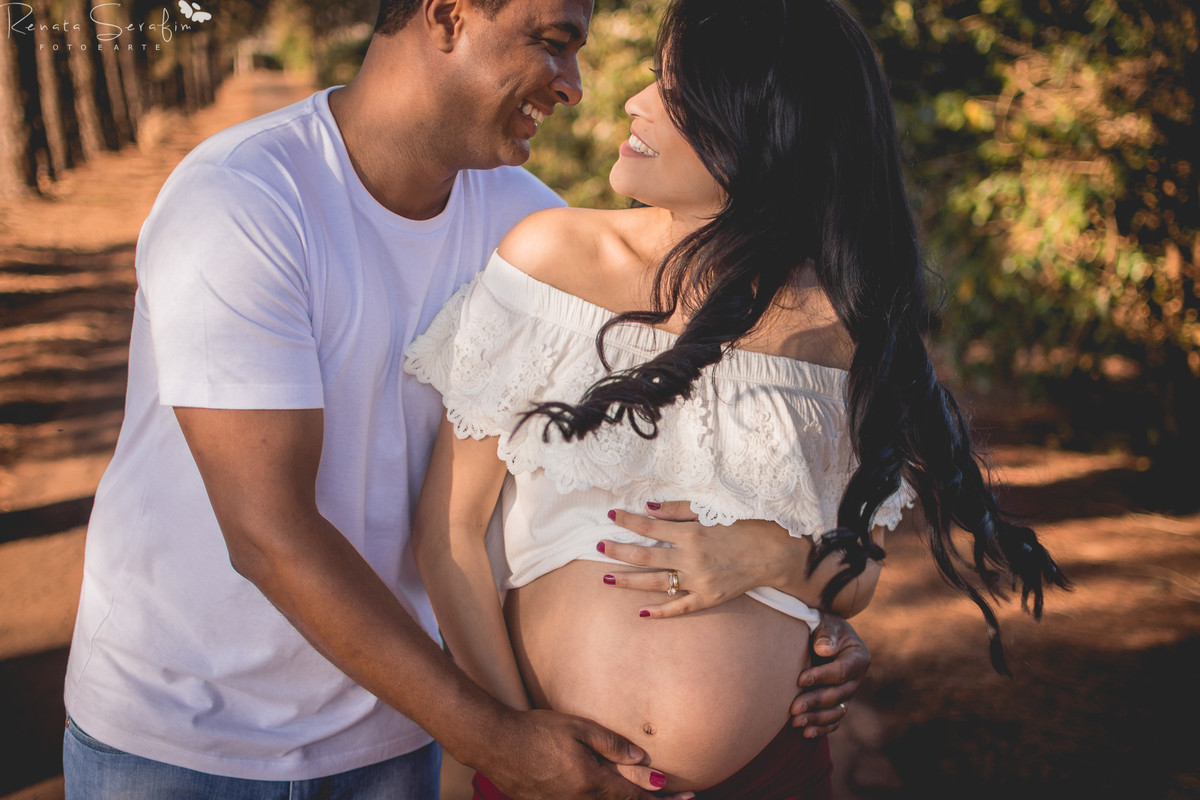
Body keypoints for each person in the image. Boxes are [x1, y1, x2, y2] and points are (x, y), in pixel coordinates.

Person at [61, 1, 870, 797]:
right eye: (553, 43)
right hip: (192, 736)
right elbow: (268, 532)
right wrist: (498, 742)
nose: (576, 85)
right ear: (447, 16)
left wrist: (806, 613)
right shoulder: (243, 201)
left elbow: (621, 472)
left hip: (393, 721)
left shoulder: (533, 224)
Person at [406, 0, 1071, 796]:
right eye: (657, 78)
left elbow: (855, 578)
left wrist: (770, 557)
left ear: (767, 133)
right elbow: (450, 534)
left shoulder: (839, 330)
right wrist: (523, 748)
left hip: (773, 774)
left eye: (677, 95)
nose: (634, 102)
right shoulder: (550, 259)